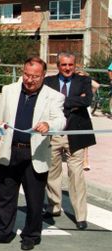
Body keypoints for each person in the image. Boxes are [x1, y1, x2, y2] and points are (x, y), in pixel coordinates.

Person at [0, 57, 66, 251]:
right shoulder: (9, 90)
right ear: (22, 72)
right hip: (11, 149)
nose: (30, 80)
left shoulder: (53, 96)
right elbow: (0, 118)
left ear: (43, 75)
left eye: (35, 76)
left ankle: (31, 235)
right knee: (5, 195)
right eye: (27, 75)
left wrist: (49, 125)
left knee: (34, 198)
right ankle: (2, 231)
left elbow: (60, 120)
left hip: (35, 153)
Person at [42, 52, 96, 230]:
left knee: (77, 175)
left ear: (75, 65)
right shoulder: (48, 82)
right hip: (54, 133)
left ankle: (80, 215)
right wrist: (74, 101)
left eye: (70, 65)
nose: (67, 68)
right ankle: (54, 206)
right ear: (58, 65)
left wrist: (60, 100)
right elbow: (45, 104)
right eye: (63, 65)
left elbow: (87, 100)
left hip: (76, 133)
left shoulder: (84, 81)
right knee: (52, 172)